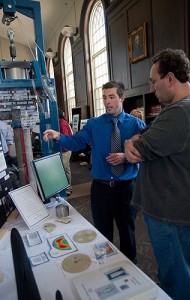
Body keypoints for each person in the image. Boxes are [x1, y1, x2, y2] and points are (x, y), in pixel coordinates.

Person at [124, 48, 190, 300]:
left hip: (169, 213)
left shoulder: (181, 111)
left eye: (153, 81)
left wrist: (132, 142)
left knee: (175, 280)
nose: (151, 88)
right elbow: (145, 133)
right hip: (175, 207)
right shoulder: (186, 107)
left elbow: (139, 146)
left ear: (170, 78)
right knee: (175, 272)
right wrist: (136, 138)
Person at [43, 80, 146, 262]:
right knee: (101, 234)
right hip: (101, 189)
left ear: (122, 98)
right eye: (104, 98)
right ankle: (104, 268)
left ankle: (132, 271)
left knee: (127, 233)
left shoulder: (136, 125)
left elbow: (145, 152)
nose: (107, 102)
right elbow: (77, 142)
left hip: (126, 189)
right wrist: (59, 136)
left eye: (112, 97)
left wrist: (125, 156)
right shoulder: (94, 124)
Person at [58, 108, 73, 195]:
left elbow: (66, 138)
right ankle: (66, 186)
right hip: (64, 150)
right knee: (65, 168)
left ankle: (68, 188)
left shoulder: (62, 124)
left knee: (65, 168)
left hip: (66, 151)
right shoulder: (61, 122)